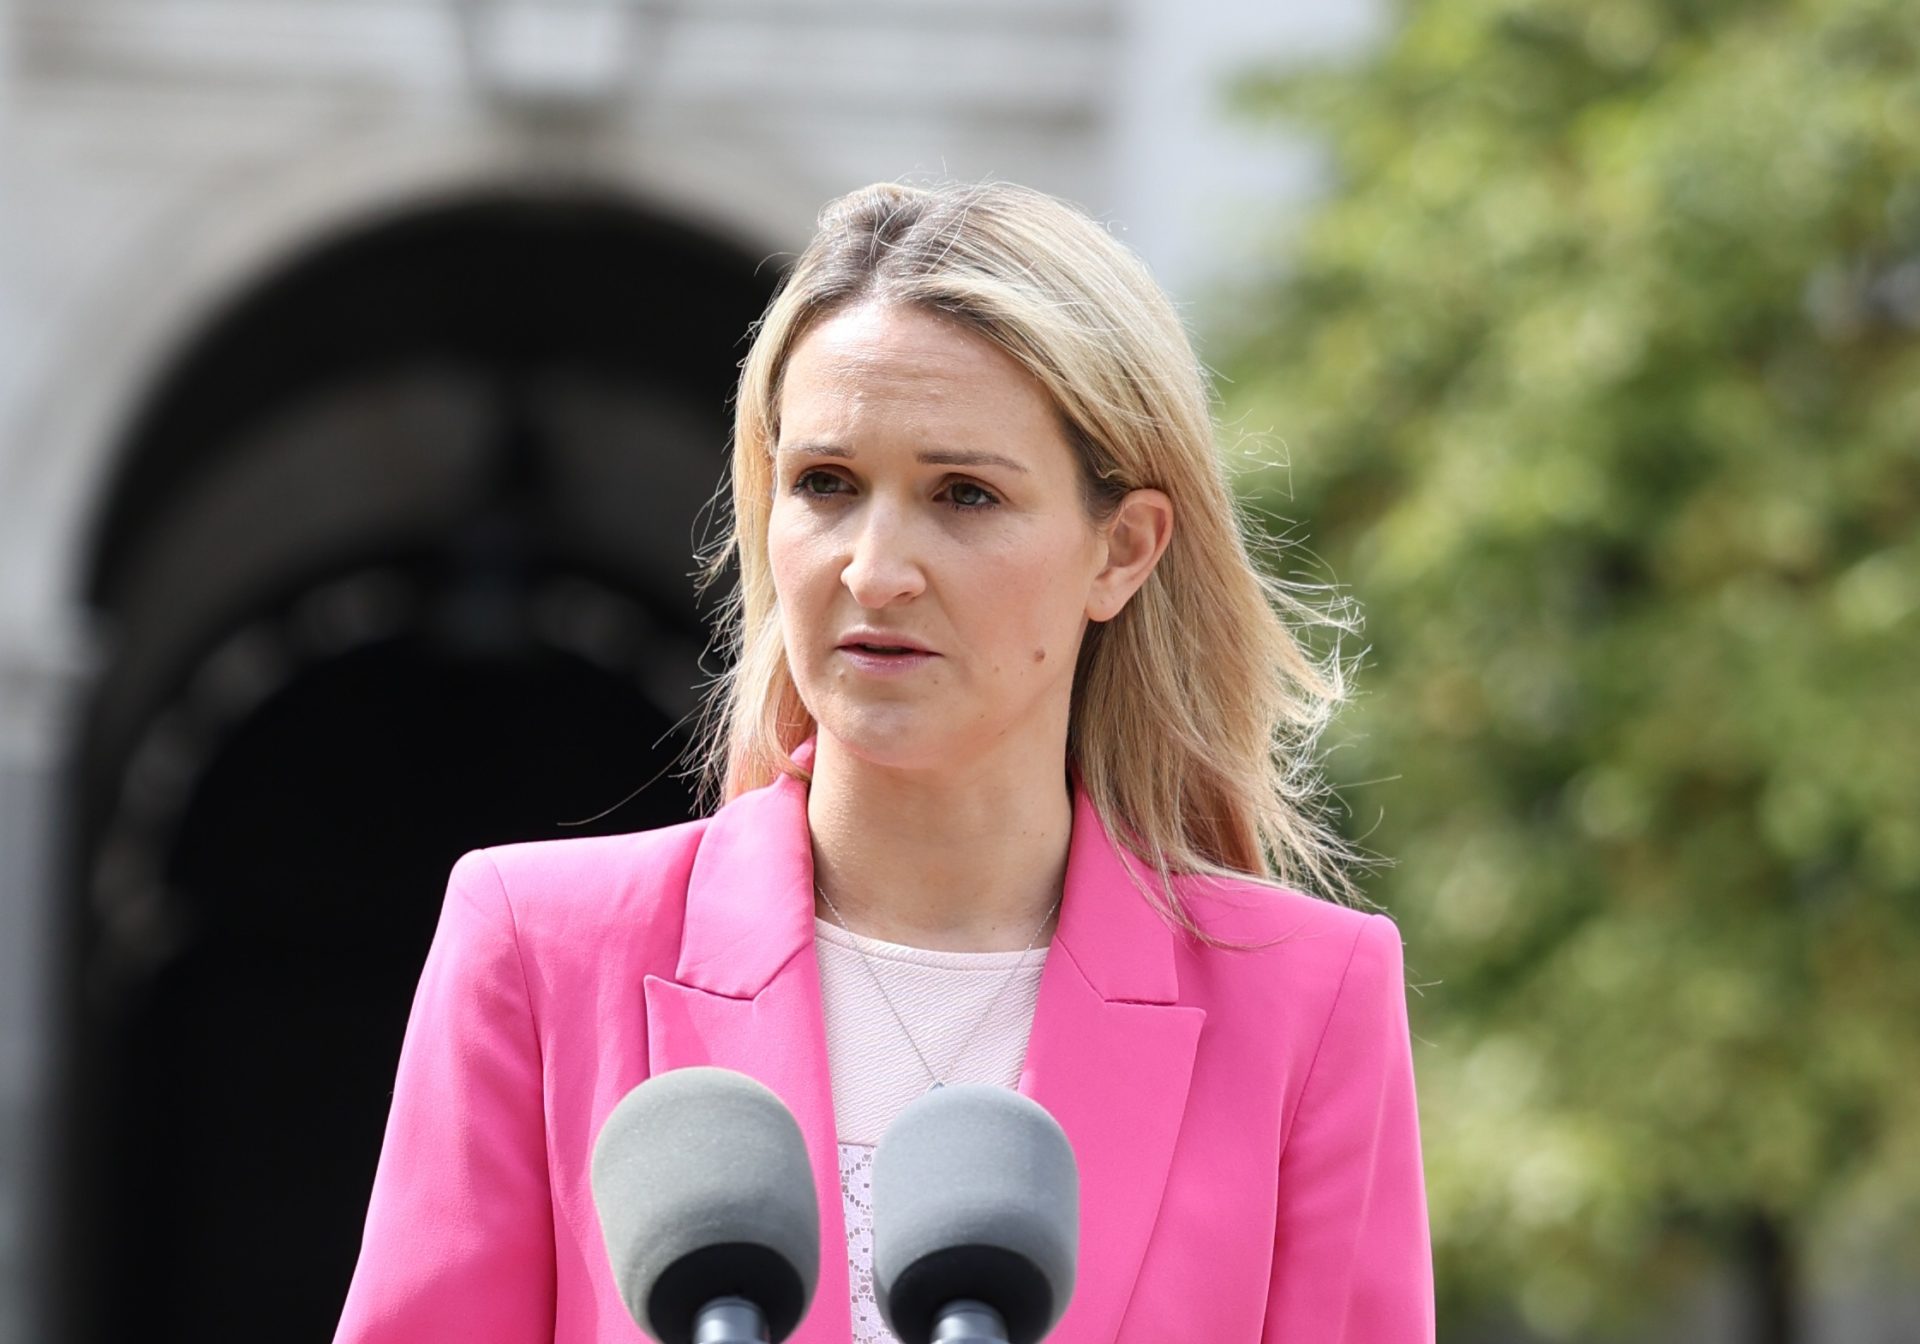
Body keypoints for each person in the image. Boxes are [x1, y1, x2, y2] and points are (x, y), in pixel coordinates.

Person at [333, 180, 1434, 1343]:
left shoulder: (1308, 1002)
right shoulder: (537, 947)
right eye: (826, 486)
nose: (875, 569)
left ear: (1122, 550)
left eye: (964, 494)